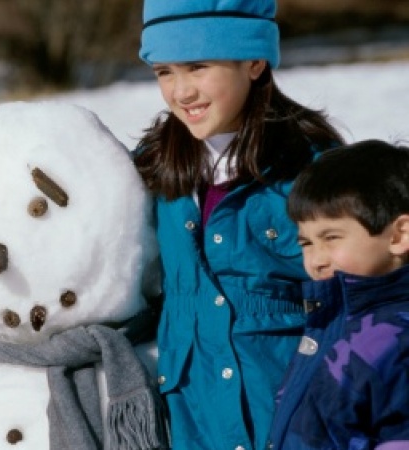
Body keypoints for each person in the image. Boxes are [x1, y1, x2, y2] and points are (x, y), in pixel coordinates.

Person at [135, 0, 346, 448]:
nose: (181, 91)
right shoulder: (150, 170)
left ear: (254, 62)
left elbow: (359, 297)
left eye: (197, 66)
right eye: (164, 72)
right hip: (193, 420)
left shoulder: (313, 169)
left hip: (296, 416)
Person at [268, 140, 409, 449]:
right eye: (306, 243)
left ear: (399, 235)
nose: (316, 259)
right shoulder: (330, 321)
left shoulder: (397, 339)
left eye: (331, 237)